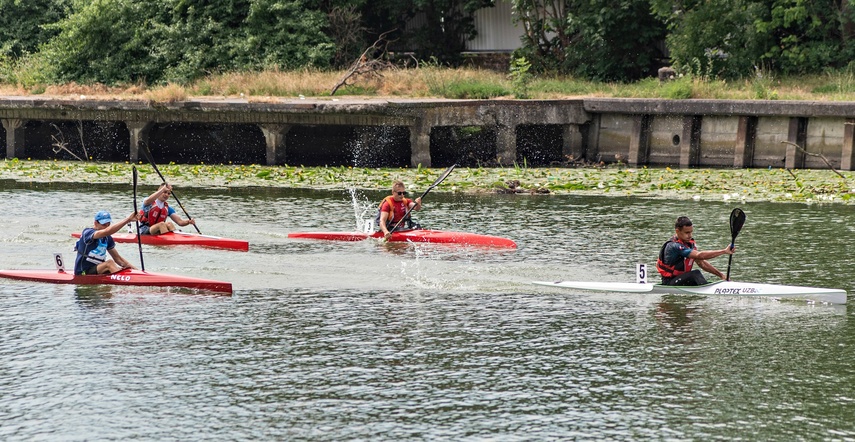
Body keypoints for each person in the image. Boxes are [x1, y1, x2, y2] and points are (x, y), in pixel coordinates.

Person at [656, 216, 736, 286]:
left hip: (683, 280)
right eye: (687, 232)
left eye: (691, 232)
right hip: (669, 282)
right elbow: (700, 255)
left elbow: (702, 263)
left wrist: (721, 275)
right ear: (677, 231)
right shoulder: (673, 246)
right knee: (695, 274)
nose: (690, 235)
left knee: (696, 275)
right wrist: (724, 251)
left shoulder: (689, 244)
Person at [74, 210, 139, 275]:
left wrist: (138, 272)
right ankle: (122, 283)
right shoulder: (88, 233)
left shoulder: (107, 238)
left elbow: (118, 259)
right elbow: (107, 231)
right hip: (82, 272)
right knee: (109, 263)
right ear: (95, 223)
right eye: (104, 225)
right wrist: (128, 220)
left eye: (108, 224)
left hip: (98, 270)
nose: (106, 227)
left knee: (123, 269)